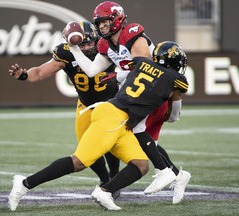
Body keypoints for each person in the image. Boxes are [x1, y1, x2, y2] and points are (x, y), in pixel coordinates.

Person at [8, 40, 189, 211]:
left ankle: (105, 191)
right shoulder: (175, 79)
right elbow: (173, 115)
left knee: (141, 165)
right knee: (79, 162)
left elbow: (121, 73)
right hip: (112, 117)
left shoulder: (141, 63)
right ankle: (24, 184)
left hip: (119, 117)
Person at [69, 1, 191, 202]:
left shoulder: (132, 34)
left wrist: (118, 75)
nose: (101, 27)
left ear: (117, 19)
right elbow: (91, 71)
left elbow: (146, 68)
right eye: (99, 24)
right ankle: (175, 174)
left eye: (105, 23)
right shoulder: (106, 44)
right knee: (141, 139)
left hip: (152, 92)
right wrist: (74, 49)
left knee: (141, 137)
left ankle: (168, 173)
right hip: (138, 92)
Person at [8, 21, 121, 197]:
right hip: (85, 106)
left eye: (91, 42)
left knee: (112, 145)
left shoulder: (107, 48)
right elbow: (39, 72)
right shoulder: (66, 53)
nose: (88, 47)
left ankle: (114, 179)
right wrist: (24, 75)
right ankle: (105, 180)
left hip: (111, 105)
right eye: (82, 43)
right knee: (86, 148)